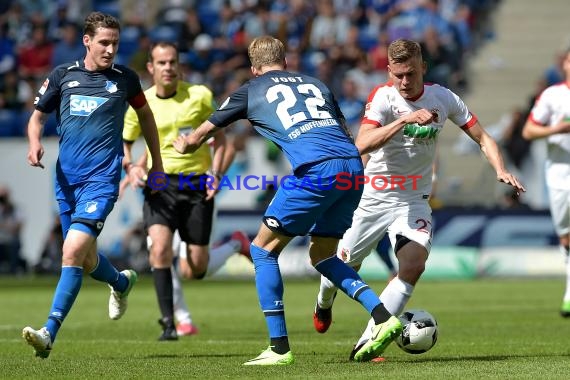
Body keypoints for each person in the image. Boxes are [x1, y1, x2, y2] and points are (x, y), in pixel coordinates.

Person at [173, 35, 403, 365]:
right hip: (352, 168)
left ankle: (279, 348)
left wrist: (185, 144)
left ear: (254, 68)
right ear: (285, 60)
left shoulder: (251, 90)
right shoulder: (317, 84)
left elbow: (199, 136)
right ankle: (383, 317)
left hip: (315, 170)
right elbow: (346, 135)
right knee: (322, 255)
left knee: (262, 249)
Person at [312, 39, 525, 361]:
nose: (404, 82)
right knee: (341, 268)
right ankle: (323, 304)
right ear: (389, 71)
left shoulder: (444, 98)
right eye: (397, 75)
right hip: (373, 197)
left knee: (413, 264)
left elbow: (482, 137)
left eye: (410, 74)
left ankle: (370, 339)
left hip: (413, 200)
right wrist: (403, 121)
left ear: (423, 68)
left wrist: (500, 169)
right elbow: (361, 144)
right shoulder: (383, 97)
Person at [23, 11, 163, 359]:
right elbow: (37, 116)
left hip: (102, 181)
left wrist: (156, 162)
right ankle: (121, 282)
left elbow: (146, 115)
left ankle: (48, 332)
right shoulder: (63, 76)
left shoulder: (125, 80)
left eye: (115, 43)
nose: (110, 49)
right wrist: (34, 142)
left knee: (70, 253)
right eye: (104, 42)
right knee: (84, 260)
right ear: (87, 41)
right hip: (66, 181)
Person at [122, 41, 250, 341]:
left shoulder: (200, 96)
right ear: (151, 68)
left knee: (196, 269)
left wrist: (216, 175)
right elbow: (127, 143)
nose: (168, 68)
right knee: (160, 249)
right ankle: (170, 323)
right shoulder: (140, 103)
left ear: (178, 65)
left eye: (172, 62)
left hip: (195, 186)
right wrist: (132, 167)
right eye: (162, 63)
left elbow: (223, 140)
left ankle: (234, 243)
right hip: (160, 185)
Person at [522, 47, 570, 317]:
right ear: (565, 63)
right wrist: (557, 129)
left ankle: (569, 293)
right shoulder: (553, 96)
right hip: (560, 175)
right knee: (565, 235)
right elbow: (528, 130)